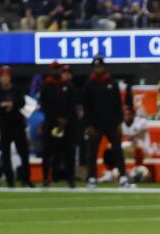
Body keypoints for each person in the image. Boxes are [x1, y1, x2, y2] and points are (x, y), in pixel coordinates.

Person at [81, 56, 125, 187]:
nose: (98, 69)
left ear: (103, 67)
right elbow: (86, 106)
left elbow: (118, 105)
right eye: (95, 67)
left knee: (117, 149)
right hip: (95, 124)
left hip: (111, 123)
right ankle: (92, 177)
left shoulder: (112, 83)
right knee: (92, 152)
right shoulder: (89, 84)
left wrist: (118, 123)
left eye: (99, 66)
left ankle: (123, 177)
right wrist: (88, 125)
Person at [39, 62, 77, 187]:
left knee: (68, 153)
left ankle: (70, 179)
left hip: (66, 124)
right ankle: (46, 178)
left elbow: (72, 105)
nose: (56, 71)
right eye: (54, 69)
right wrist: (56, 120)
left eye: (58, 69)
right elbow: (44, 106)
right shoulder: (46, 85)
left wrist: (65, 119)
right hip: (51, 123)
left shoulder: (67, 85)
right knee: (48, 152)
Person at [0, 66, 29, 188]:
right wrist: (4, 107)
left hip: (18, 126)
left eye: (6, 76)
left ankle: (26, 179)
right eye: (2, 76)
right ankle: (10, 181)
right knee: (6, 154)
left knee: (23, 153)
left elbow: (22, 103)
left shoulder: (17, 90)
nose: (4, 78)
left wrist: (12, 105)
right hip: (4, 127)